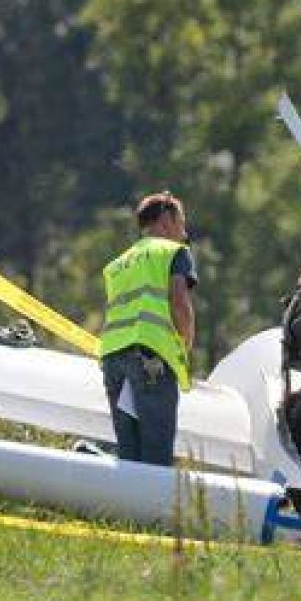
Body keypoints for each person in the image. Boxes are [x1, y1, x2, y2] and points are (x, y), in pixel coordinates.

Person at [98, 191, 196, 466]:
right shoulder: (173, 252)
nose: (184, 233)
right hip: (150, 358)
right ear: (166, 220)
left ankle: (127, 508)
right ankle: (154, 509)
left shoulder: (117, 264)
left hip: (113, 357)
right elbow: (179, 302)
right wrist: (185, 345)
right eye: (181, 223)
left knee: (128, 453)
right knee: (156, 454)